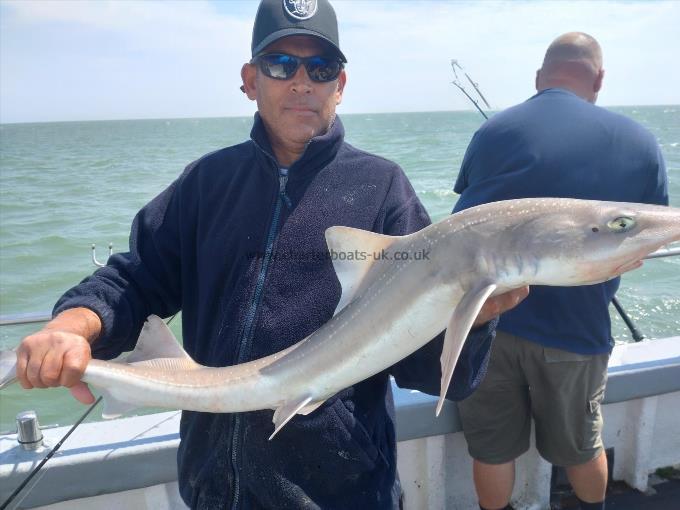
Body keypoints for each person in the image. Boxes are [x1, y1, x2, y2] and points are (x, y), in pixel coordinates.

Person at [15, 1, 527, 508]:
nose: (302, 81)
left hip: (341, 492)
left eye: (321, 67)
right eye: (281, 63)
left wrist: (473, 318)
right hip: (214, 489)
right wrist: (73, 325)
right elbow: (136, 279)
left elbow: (429, 373)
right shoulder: (206, 183)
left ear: (340, 86)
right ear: (250, 79)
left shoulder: (381, 189)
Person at [453, 32, 669, 510]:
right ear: (599, 79)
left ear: (538, 79)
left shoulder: (495, 130)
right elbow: (643, 241)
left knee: (492, 451)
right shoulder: (639, 140)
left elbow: (467, 222)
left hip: (489, 322)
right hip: (578, 328)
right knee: (581, 448)